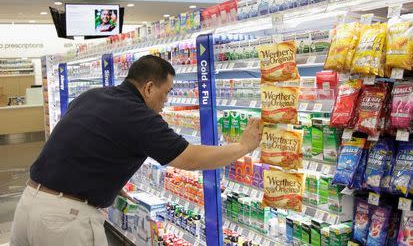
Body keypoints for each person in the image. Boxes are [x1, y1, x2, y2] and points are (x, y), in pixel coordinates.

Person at [10, 55, 262, 246]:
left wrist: (111, 186)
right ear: (149, 88)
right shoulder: (138, 116)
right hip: (64, 220)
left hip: (30, 203)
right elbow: (191, 158)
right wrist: (243, 146)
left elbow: (85, 146)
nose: (166, 102)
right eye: (166, 93)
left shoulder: (93, 96)